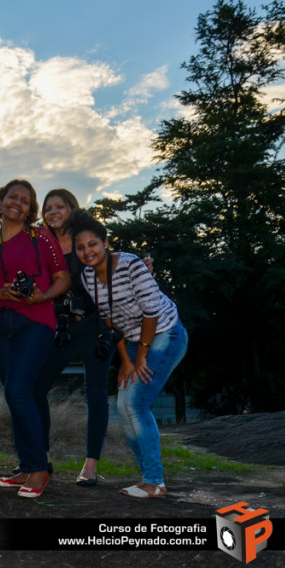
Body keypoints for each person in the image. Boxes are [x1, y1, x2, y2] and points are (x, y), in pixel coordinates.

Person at [70, 212, 188, 498]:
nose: (87, 251)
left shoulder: (131, 264)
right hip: (132, 341)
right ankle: (148, 477)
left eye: (93, 244)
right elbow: (110, 320)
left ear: (105, 243)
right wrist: (125, 359)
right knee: (123, 406)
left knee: (136, 403)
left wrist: (142, 357)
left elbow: (151, 313)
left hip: (164, 333)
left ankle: (154, 482)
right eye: (81, 247)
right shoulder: (87, 276)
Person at [0, 180, 69, 499]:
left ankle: (39, 468)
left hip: (36, 320)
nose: (17, 203)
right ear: (0, 200)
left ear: (31, 209)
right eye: (12, 197)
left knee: (19, 391)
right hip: (0, 324)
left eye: (24, 200)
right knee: (16, 393)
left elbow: (63, 278)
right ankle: (26, 466)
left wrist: (42, 295)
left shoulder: (41, 237)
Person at [32, 189, 113, 487]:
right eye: (48, 207)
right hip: (60, 328)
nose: (53, 212)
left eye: (60, 206)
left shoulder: (85, 235)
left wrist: (140, 265)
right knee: (36, 388)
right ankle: (44, 457)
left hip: (94, 326)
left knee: (95, 393)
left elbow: (110, 264)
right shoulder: (42, 242)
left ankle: (91, 464)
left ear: (72, 208)